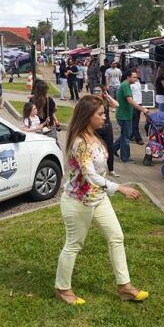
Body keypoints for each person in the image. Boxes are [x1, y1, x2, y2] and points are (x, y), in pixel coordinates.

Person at [54, 95, 148, 305]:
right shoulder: (80, 143)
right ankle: (62, 288)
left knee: (116, 237)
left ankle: (124, 286)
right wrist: (119, 187)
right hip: (78, 202)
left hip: (98, 198)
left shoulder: (94, 136)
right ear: (88, 116)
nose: (105, 117)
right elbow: (90, 175)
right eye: (100, 114)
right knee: (74, 245)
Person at [113, 70, 148, 163]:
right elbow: (130, 100)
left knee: (125, 135)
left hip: (125, 115)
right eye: (134, 77)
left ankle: (112, 149)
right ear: (128, 77)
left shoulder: (126, 85)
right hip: (124, 116)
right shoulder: (125, 86)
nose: (136, 79)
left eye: (136, 77)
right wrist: (142, 109)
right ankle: (125, 158)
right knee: (126, 137)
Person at [94, 85, 120, 177]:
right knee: (95, 148)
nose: (96, 93)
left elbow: (116, 105)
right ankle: (95, 168)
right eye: (95, 91)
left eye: (98, 91)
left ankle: (111, 169)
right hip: (95, 129)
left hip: (107, 128)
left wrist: (108, 96)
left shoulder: (106, 101)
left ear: (103, 92)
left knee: (110, 148)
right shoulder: (92, 101)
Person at [129, 71, 144, 145]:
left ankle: (131, 135)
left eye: (136, 76)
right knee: (135, 122)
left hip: (139, 104)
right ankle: (138, 138)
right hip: (134, 105)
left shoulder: (138, 82)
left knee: (136, 121)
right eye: (134, 76)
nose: (136, 77)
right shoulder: (130, 85)